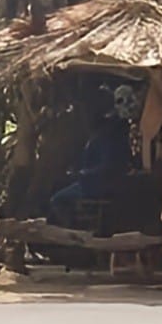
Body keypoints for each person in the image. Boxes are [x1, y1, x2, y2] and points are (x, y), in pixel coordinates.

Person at [48, 94, 133, 228]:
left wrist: (83, 173)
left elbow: (106, 166)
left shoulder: (103, 141)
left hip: (93, 185)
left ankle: (70, 228)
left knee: (57, 200)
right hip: (96, 182)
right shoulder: (106, 140)